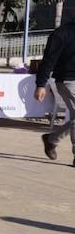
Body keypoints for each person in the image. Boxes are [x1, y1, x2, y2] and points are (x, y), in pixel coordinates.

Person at [35, 12, 75, 164]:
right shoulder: (61, 34)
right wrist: (41, 84)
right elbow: (48, 61)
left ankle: (51, 139)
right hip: (67, 80)